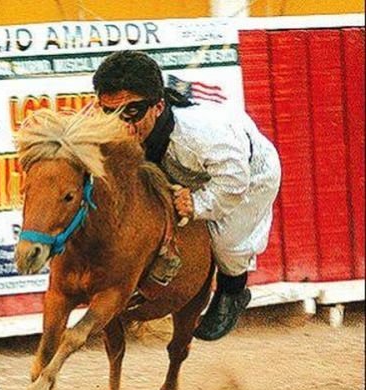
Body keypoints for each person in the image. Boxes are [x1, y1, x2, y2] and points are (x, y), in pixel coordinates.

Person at [92, 50, 281, 341]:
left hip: (250, 172)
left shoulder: (202, 134)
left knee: (226, 243)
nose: (123, 125)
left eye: (133, 113)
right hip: (183, 167)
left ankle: (233, 291)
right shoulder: (120, 116)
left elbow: (234, 181)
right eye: (111, 112)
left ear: (157, 106)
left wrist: (198, 203)